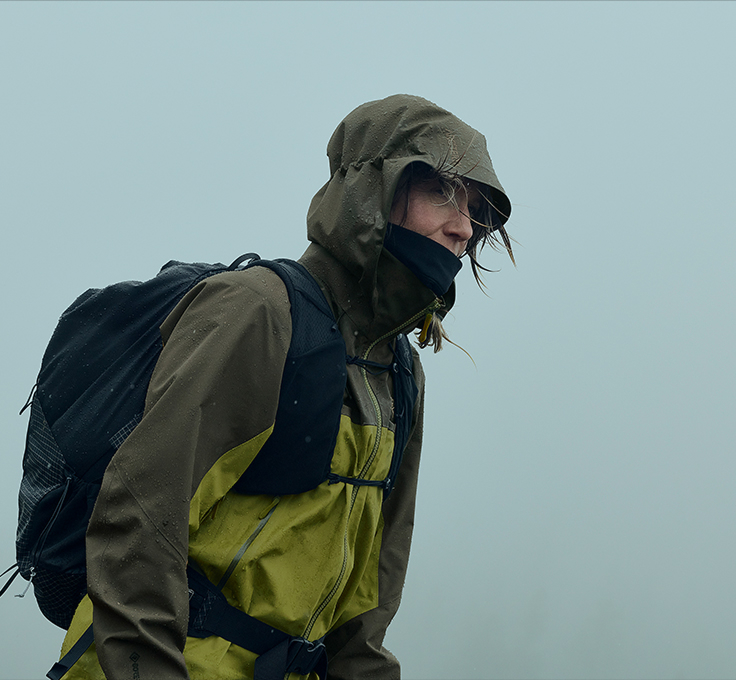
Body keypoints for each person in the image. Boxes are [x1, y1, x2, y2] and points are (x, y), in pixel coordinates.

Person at [56, 94, 514, 679]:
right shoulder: (258, 312)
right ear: (370, 188)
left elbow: (365, 611)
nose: (462, 227)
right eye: (442, 192)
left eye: (476, 211)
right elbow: (140, 520)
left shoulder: (399, 370)